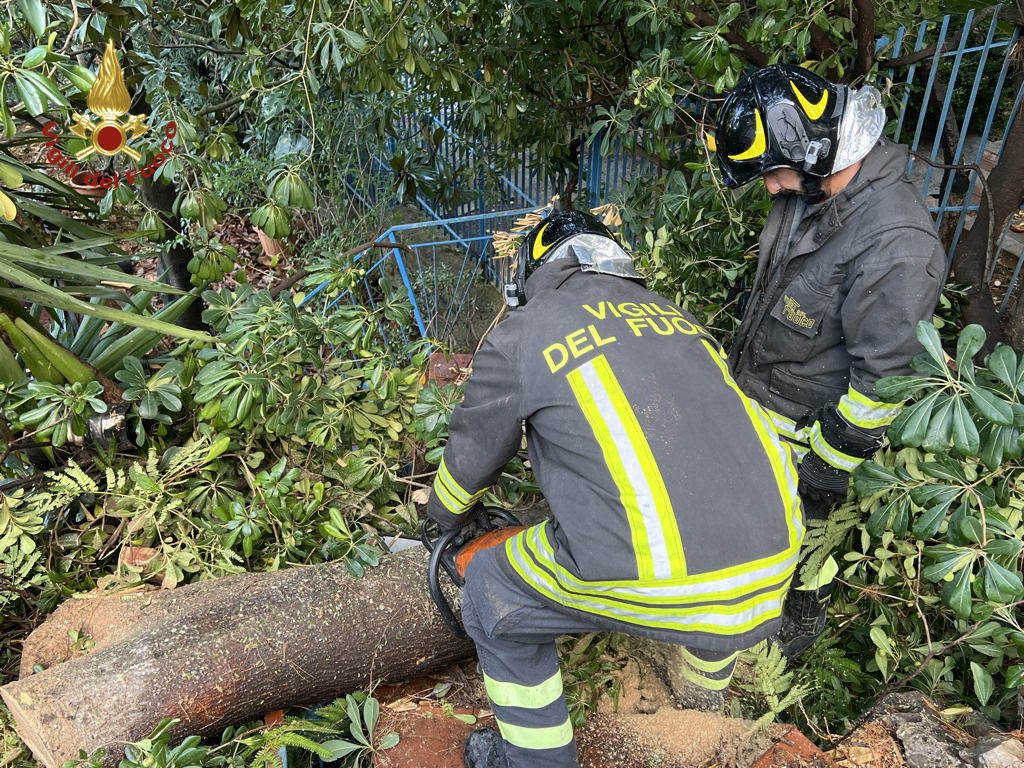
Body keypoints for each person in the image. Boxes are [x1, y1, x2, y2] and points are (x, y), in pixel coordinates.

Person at [426, 210, 804, 768]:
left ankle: (535, 760)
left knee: (489, 592)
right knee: (712, 540)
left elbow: (473, 448)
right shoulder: (677, 318)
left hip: (657, 569)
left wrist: (445, 517)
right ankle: (699, 704)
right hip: (774, 558)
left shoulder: (527, 330)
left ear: (536, 272)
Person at [714, 64, 946, 659]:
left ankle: (790, 635)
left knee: (795, 560)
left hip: (813, 441)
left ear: (812, 149)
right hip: (760, 408)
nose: (769, 188)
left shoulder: (897, 244)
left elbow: (885, 381)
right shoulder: (812, 191)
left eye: (772, 172)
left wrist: (828, 465)